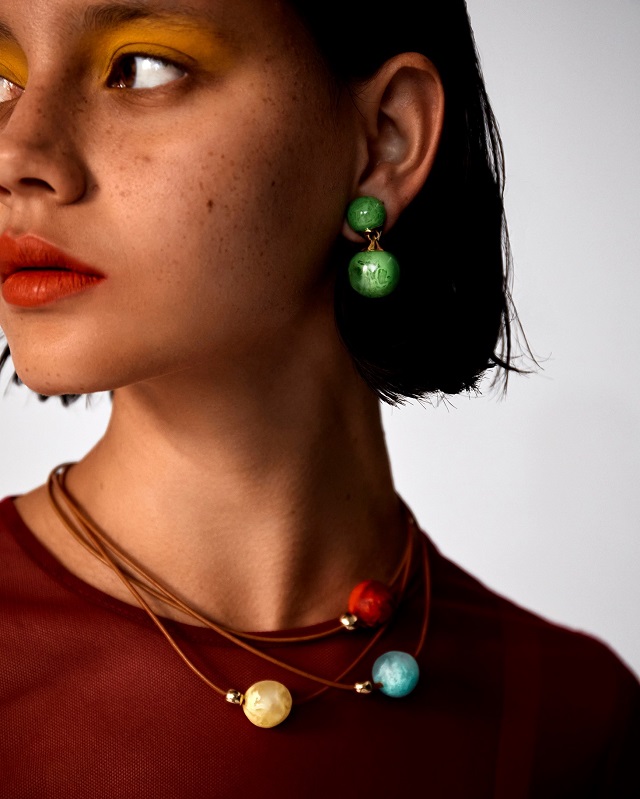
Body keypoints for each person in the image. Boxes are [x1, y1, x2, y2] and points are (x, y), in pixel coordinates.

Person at [0, 0, 637, 796]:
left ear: (385, 142)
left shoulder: (575, 724)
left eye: (142, 68)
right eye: (2, 79)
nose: (15, 149)